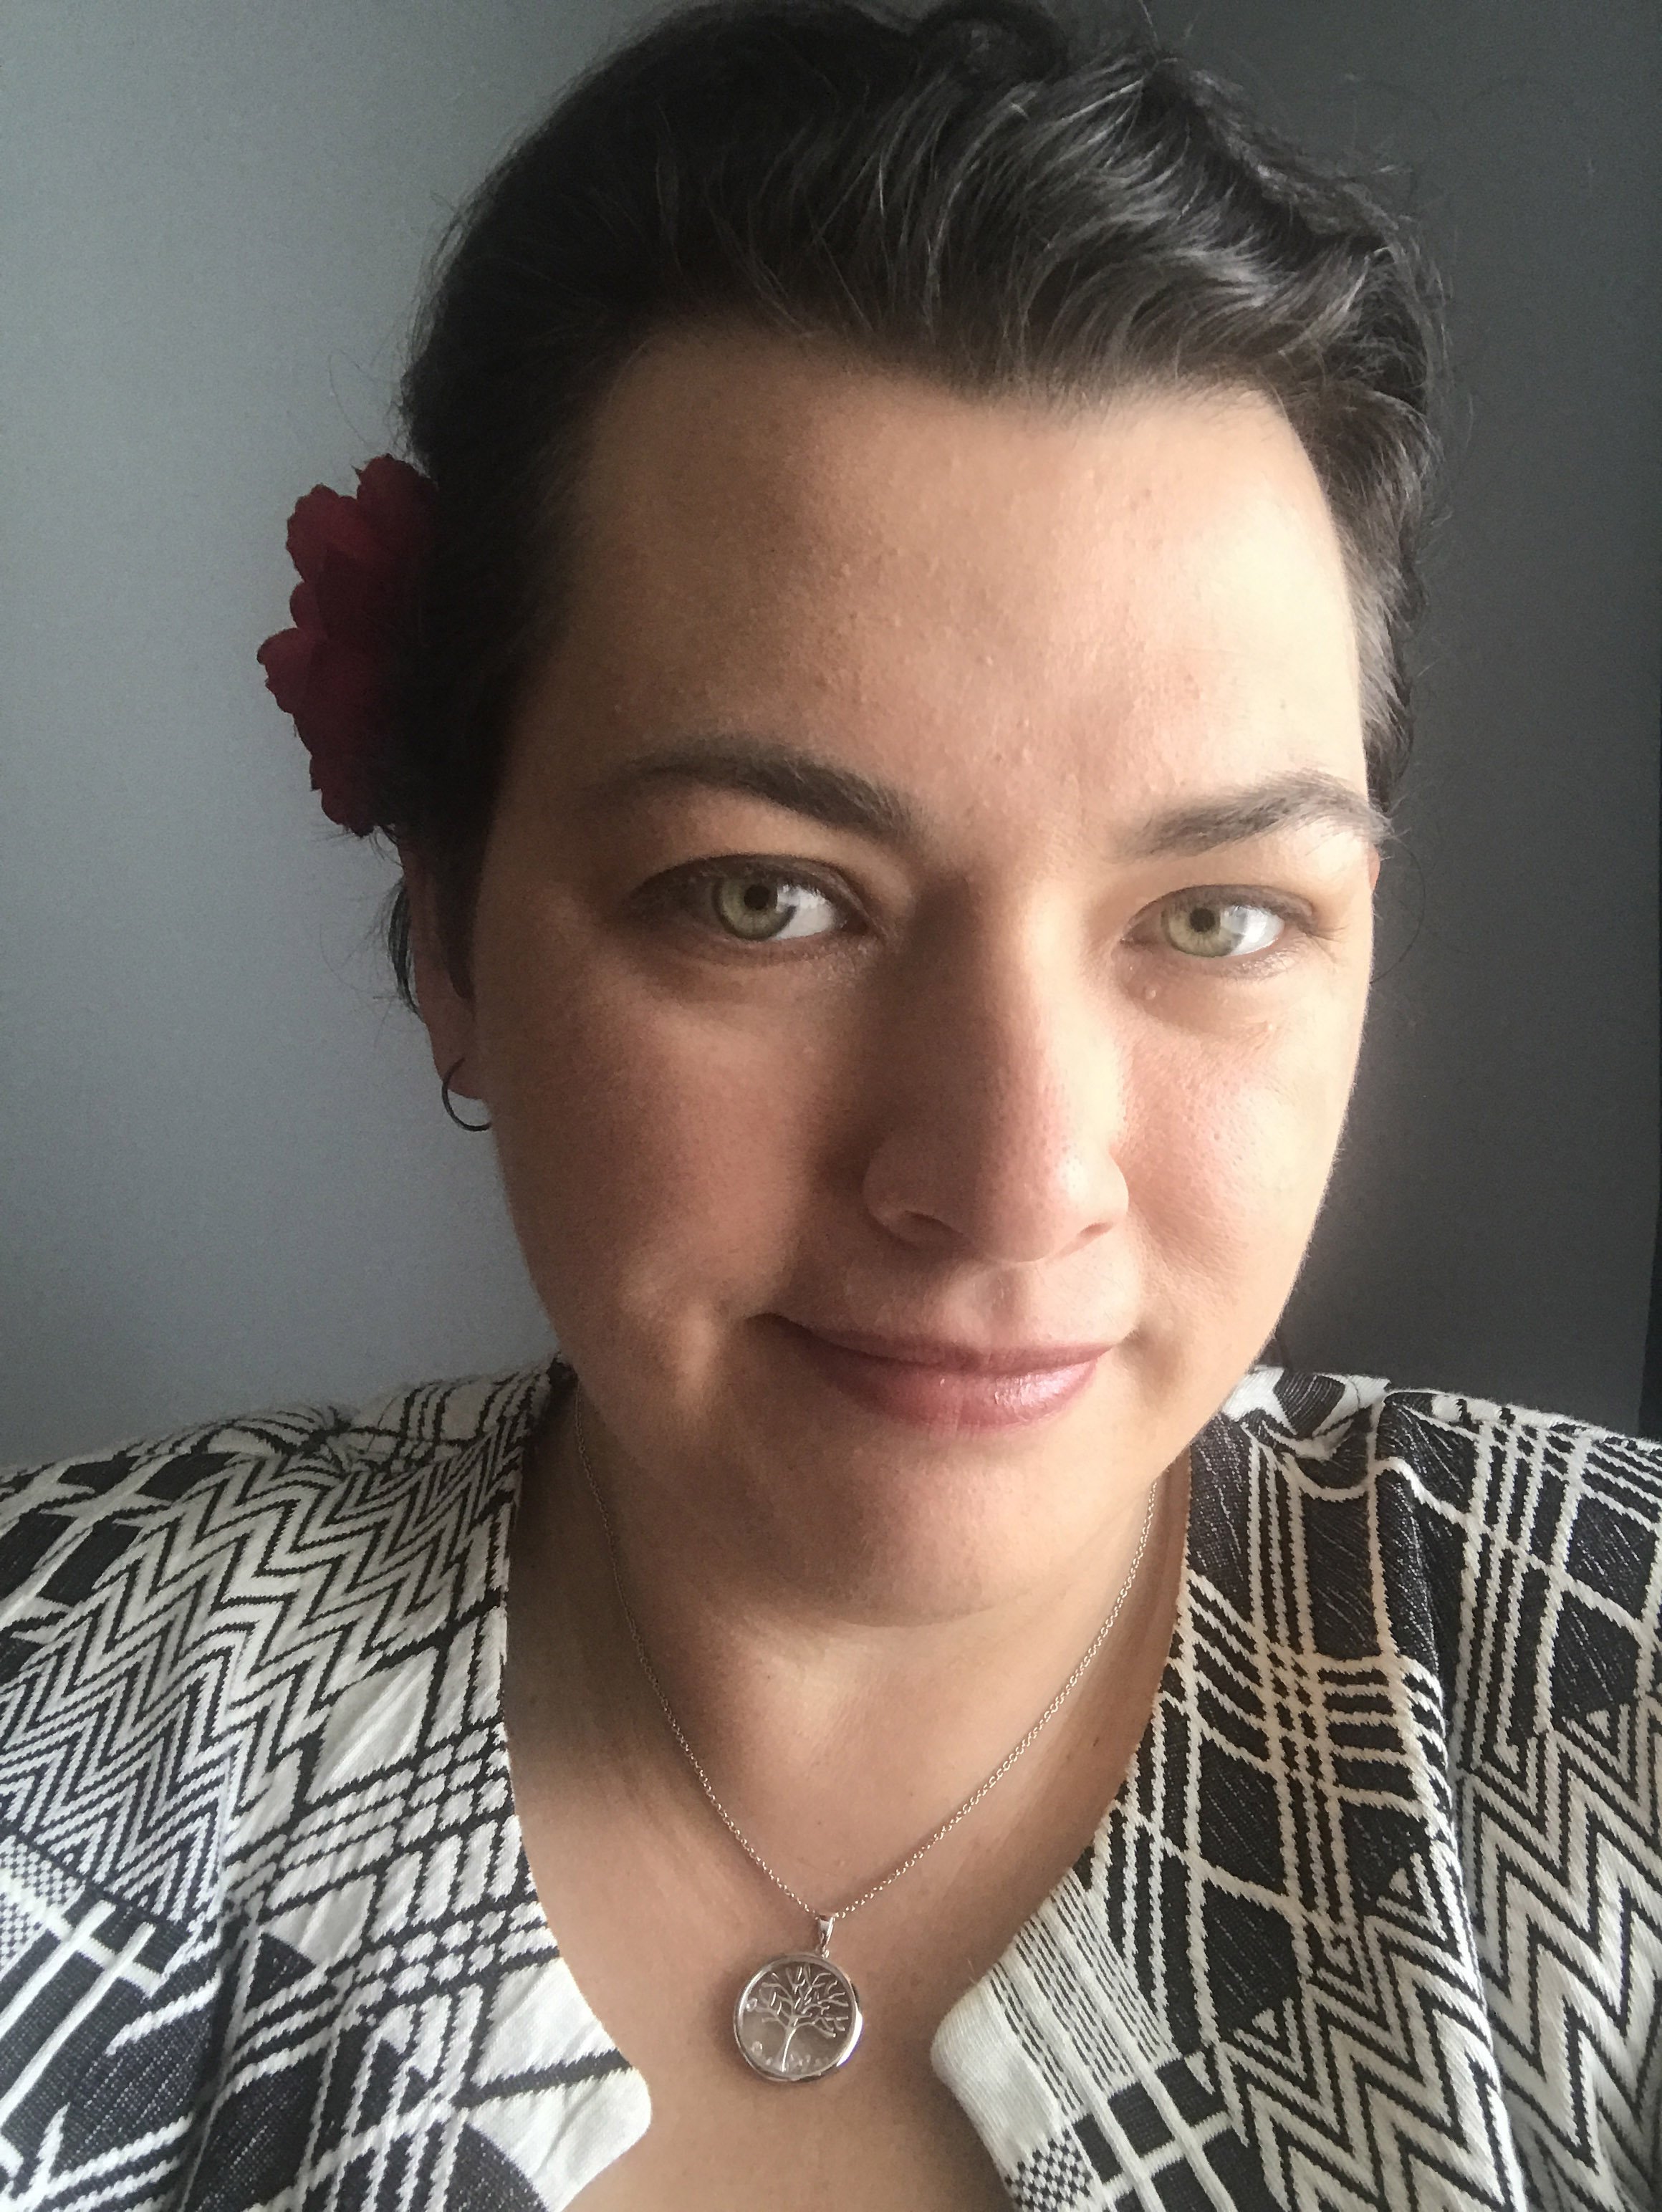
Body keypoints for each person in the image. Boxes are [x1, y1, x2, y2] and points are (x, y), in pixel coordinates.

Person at [1, 0, 1657, 2205]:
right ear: (453, 949)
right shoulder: (55, 1735)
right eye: (766, 898)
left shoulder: (1605, 1704)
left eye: (1218, 916)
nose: (1007, 1185)